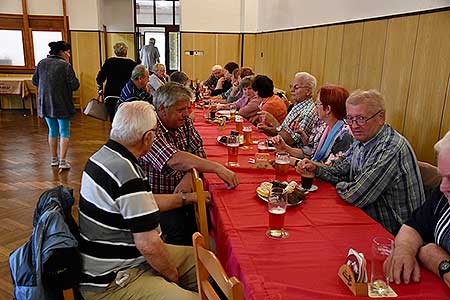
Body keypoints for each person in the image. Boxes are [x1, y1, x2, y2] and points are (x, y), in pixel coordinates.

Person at [78, 101, 199, 300]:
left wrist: (186, 199)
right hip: (112, 280)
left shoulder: (105, 155)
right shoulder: (126, 171)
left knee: (201, 259)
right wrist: (172, 276)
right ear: (148, 137)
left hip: (120, 260)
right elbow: (149, 244)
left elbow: (142, 204)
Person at [300, 89, 425, 234]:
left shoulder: (390, 148)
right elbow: (340, 168)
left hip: (392, 233)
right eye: (350, 118)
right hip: (364, 216)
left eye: (360, 118)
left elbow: (356, 195)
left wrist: (341, 183)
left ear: (381, 117)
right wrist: (316, 168)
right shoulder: (363, 139)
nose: (353, 125)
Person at [140, 82, 239, 246]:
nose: (187, 114)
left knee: (207, 217)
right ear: (162, 109)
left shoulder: (183, 122)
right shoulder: (150, 128)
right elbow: (174, 159)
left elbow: (198, 149)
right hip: (159, 199)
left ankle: (206, 258)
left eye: (188, 108)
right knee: (181, 230)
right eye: (181, 110)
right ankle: (185, 265)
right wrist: (216, 167)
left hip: (184, 190)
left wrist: (189, 175)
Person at [385, 131, 449, 287]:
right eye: (443, 177)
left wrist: (435, 258)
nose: (443, 187)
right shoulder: (442, 196)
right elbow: (414, 226)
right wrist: (404, 249)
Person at [273, 84, 353, 165]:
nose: (315, 108)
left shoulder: (344, 135)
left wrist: (296, 162)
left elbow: (332, 169)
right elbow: (309, 152)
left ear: (328, 109)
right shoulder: (324, 125)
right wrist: (285, 148)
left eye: (317, 104)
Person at [32, 40, 80, 170]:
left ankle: (54, 159)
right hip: (62, 103)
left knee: (52, 130)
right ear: (61, 52)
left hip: (46, 102)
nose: (69, 55)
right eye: (68, 52)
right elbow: (74, 85)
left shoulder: (41, 63)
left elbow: (34, 81)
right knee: (64, 131)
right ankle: (63, 161)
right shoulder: (65, 66)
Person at [257, 72, 317, 148]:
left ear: (308, 91)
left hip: (289, 152)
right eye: (291, 86)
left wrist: (273, 121)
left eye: (296, 87)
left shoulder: (308, 112)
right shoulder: (298, 105)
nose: (292, 90)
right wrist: (268, 130)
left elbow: (291, 141)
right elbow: (285, 131)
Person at [96, 41, 137, 122]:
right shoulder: (132, 64)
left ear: (115, 52)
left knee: (113, 119)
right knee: (125, 119)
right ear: (126, 52)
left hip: (110, 94)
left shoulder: (109, 62)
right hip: (127, 94)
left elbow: (100, 78)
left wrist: (100, 88)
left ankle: (114, 133)